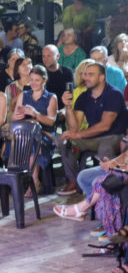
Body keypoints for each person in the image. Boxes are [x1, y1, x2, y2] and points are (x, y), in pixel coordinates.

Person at [59, 62, 126, 195]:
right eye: (85, 74)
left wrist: (79, 135)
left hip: (114, 136)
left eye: (90, 75)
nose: (86, 78)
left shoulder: (114, 94)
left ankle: (106, 190)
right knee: (64, 141)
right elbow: (74, 128)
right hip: (92, 138)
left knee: (105, 147)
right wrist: (68, 107)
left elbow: (105, 125)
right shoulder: (84, 97)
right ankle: (74, 181)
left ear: (101, 77)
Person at [11, 65, 58, 195]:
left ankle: (34, 180)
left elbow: (51, 121)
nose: (33, 83)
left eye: (37, 80)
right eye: (31, 79)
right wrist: (17, 116)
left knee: (33, 142)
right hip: (25, 133)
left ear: (44, 80)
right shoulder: (23, 95)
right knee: (22, 140)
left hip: (45, 134)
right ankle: (22, 181)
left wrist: (35, 114)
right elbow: (14, 118)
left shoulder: (51, 97)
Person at [41, 45, 74, 109]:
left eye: (48, 56)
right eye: (43, 56)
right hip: (43, 109)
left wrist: (65, 109)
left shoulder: (67, 72)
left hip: (62, 109)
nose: (45, 59)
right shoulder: (40, 72)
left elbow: (70, 95)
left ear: (57, 56)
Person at [4, 56, 33, 122]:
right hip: (16, 121)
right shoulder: (10, 87)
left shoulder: (37, 84)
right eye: (23, 65)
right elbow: (7, 110)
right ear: (17, 69)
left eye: (29, 64)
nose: (27, 66)